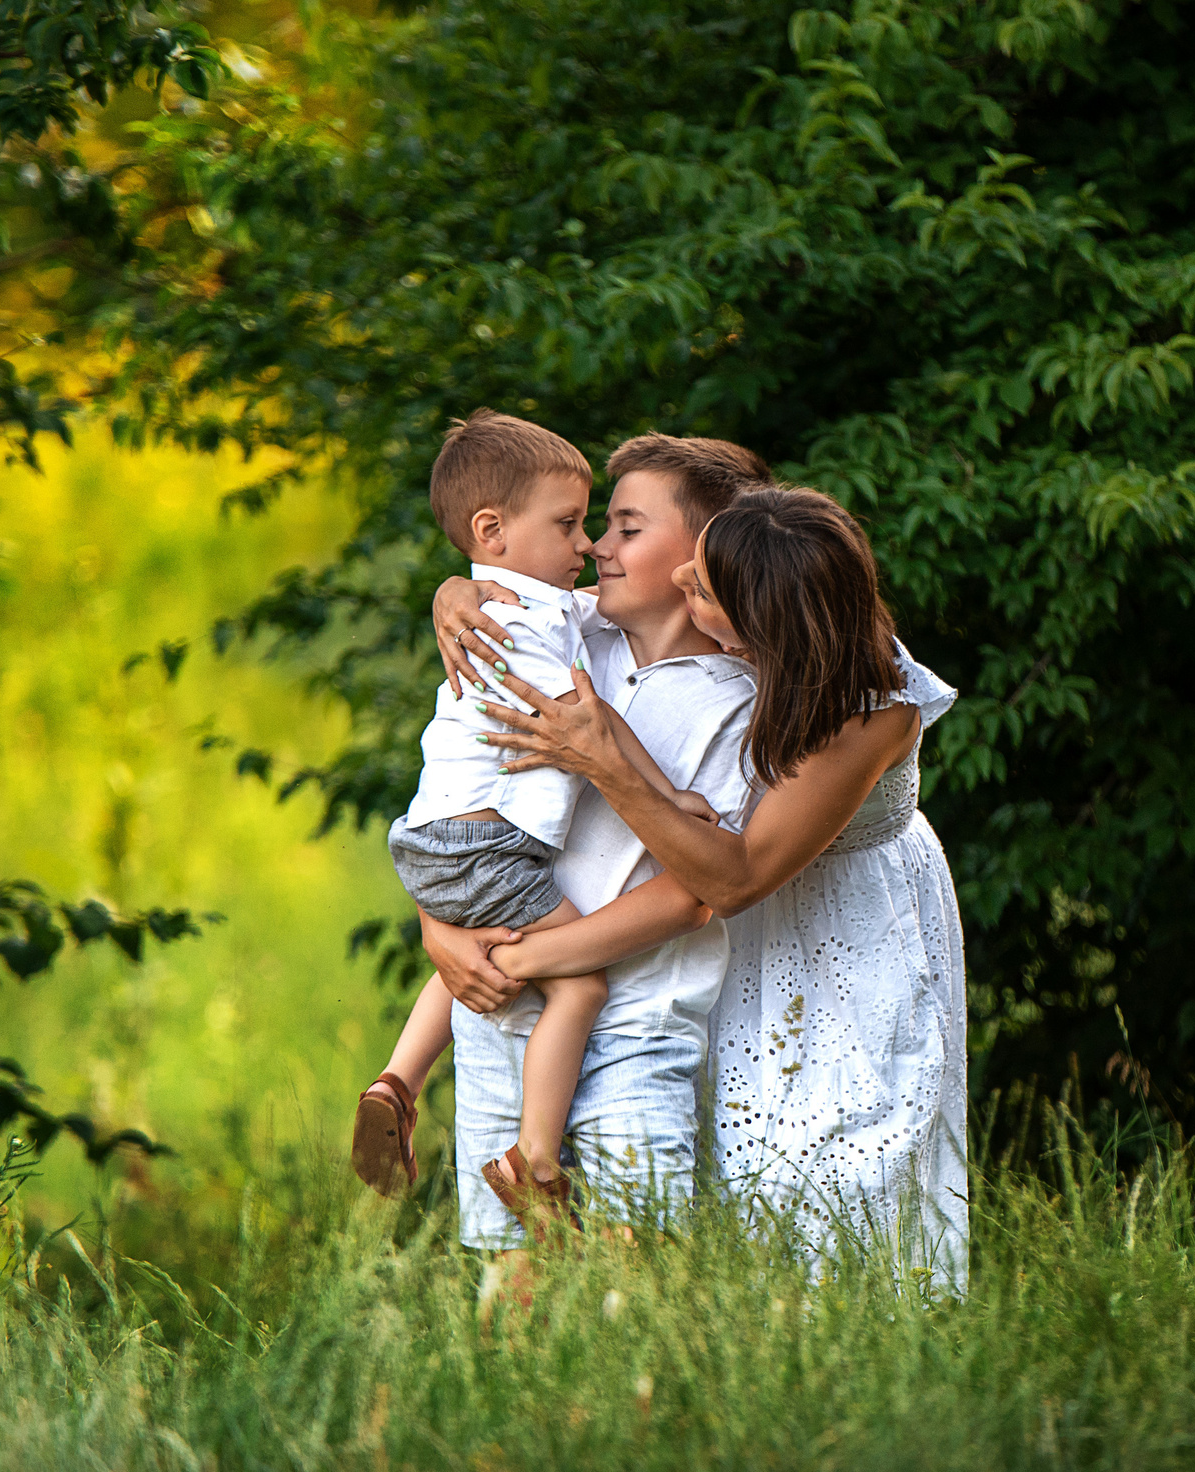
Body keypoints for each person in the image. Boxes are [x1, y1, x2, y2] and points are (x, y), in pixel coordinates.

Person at [465, 486, 971, 1287]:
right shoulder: (737, 631)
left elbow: (736, 878)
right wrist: (452, 595)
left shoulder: (873, 709)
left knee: (845, 1159)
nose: (679, 585)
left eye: (700, 587)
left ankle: (861, 1330)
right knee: (737, 1157)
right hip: (749, 935)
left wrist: (603, 761)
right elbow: (520, 597)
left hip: (848, 935)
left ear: (763, 620)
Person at [413, 434, 774, 1281]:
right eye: (593, 525)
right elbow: (457, 796)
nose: (596, 546)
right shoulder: (564, 632)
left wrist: (520, 957)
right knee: (512, 1272)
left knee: (633, 1265)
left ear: (704, 557)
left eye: (625, 529)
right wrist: (452, 589)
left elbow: (692, 895)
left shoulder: (739, 703)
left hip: (640, 1020)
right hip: (504, 1018)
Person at [349, 412, 722, 1235]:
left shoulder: (536, 612)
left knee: (480, 949)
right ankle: (534, 1160)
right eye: (573, 524)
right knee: (577, 985)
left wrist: (456, 583)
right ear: (493, 530)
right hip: (487, 850)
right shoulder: (521, 624)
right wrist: (667, 796)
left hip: (443, 840)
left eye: (611, 526)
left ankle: (398, 1081)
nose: (588, 545)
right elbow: (593, 728)